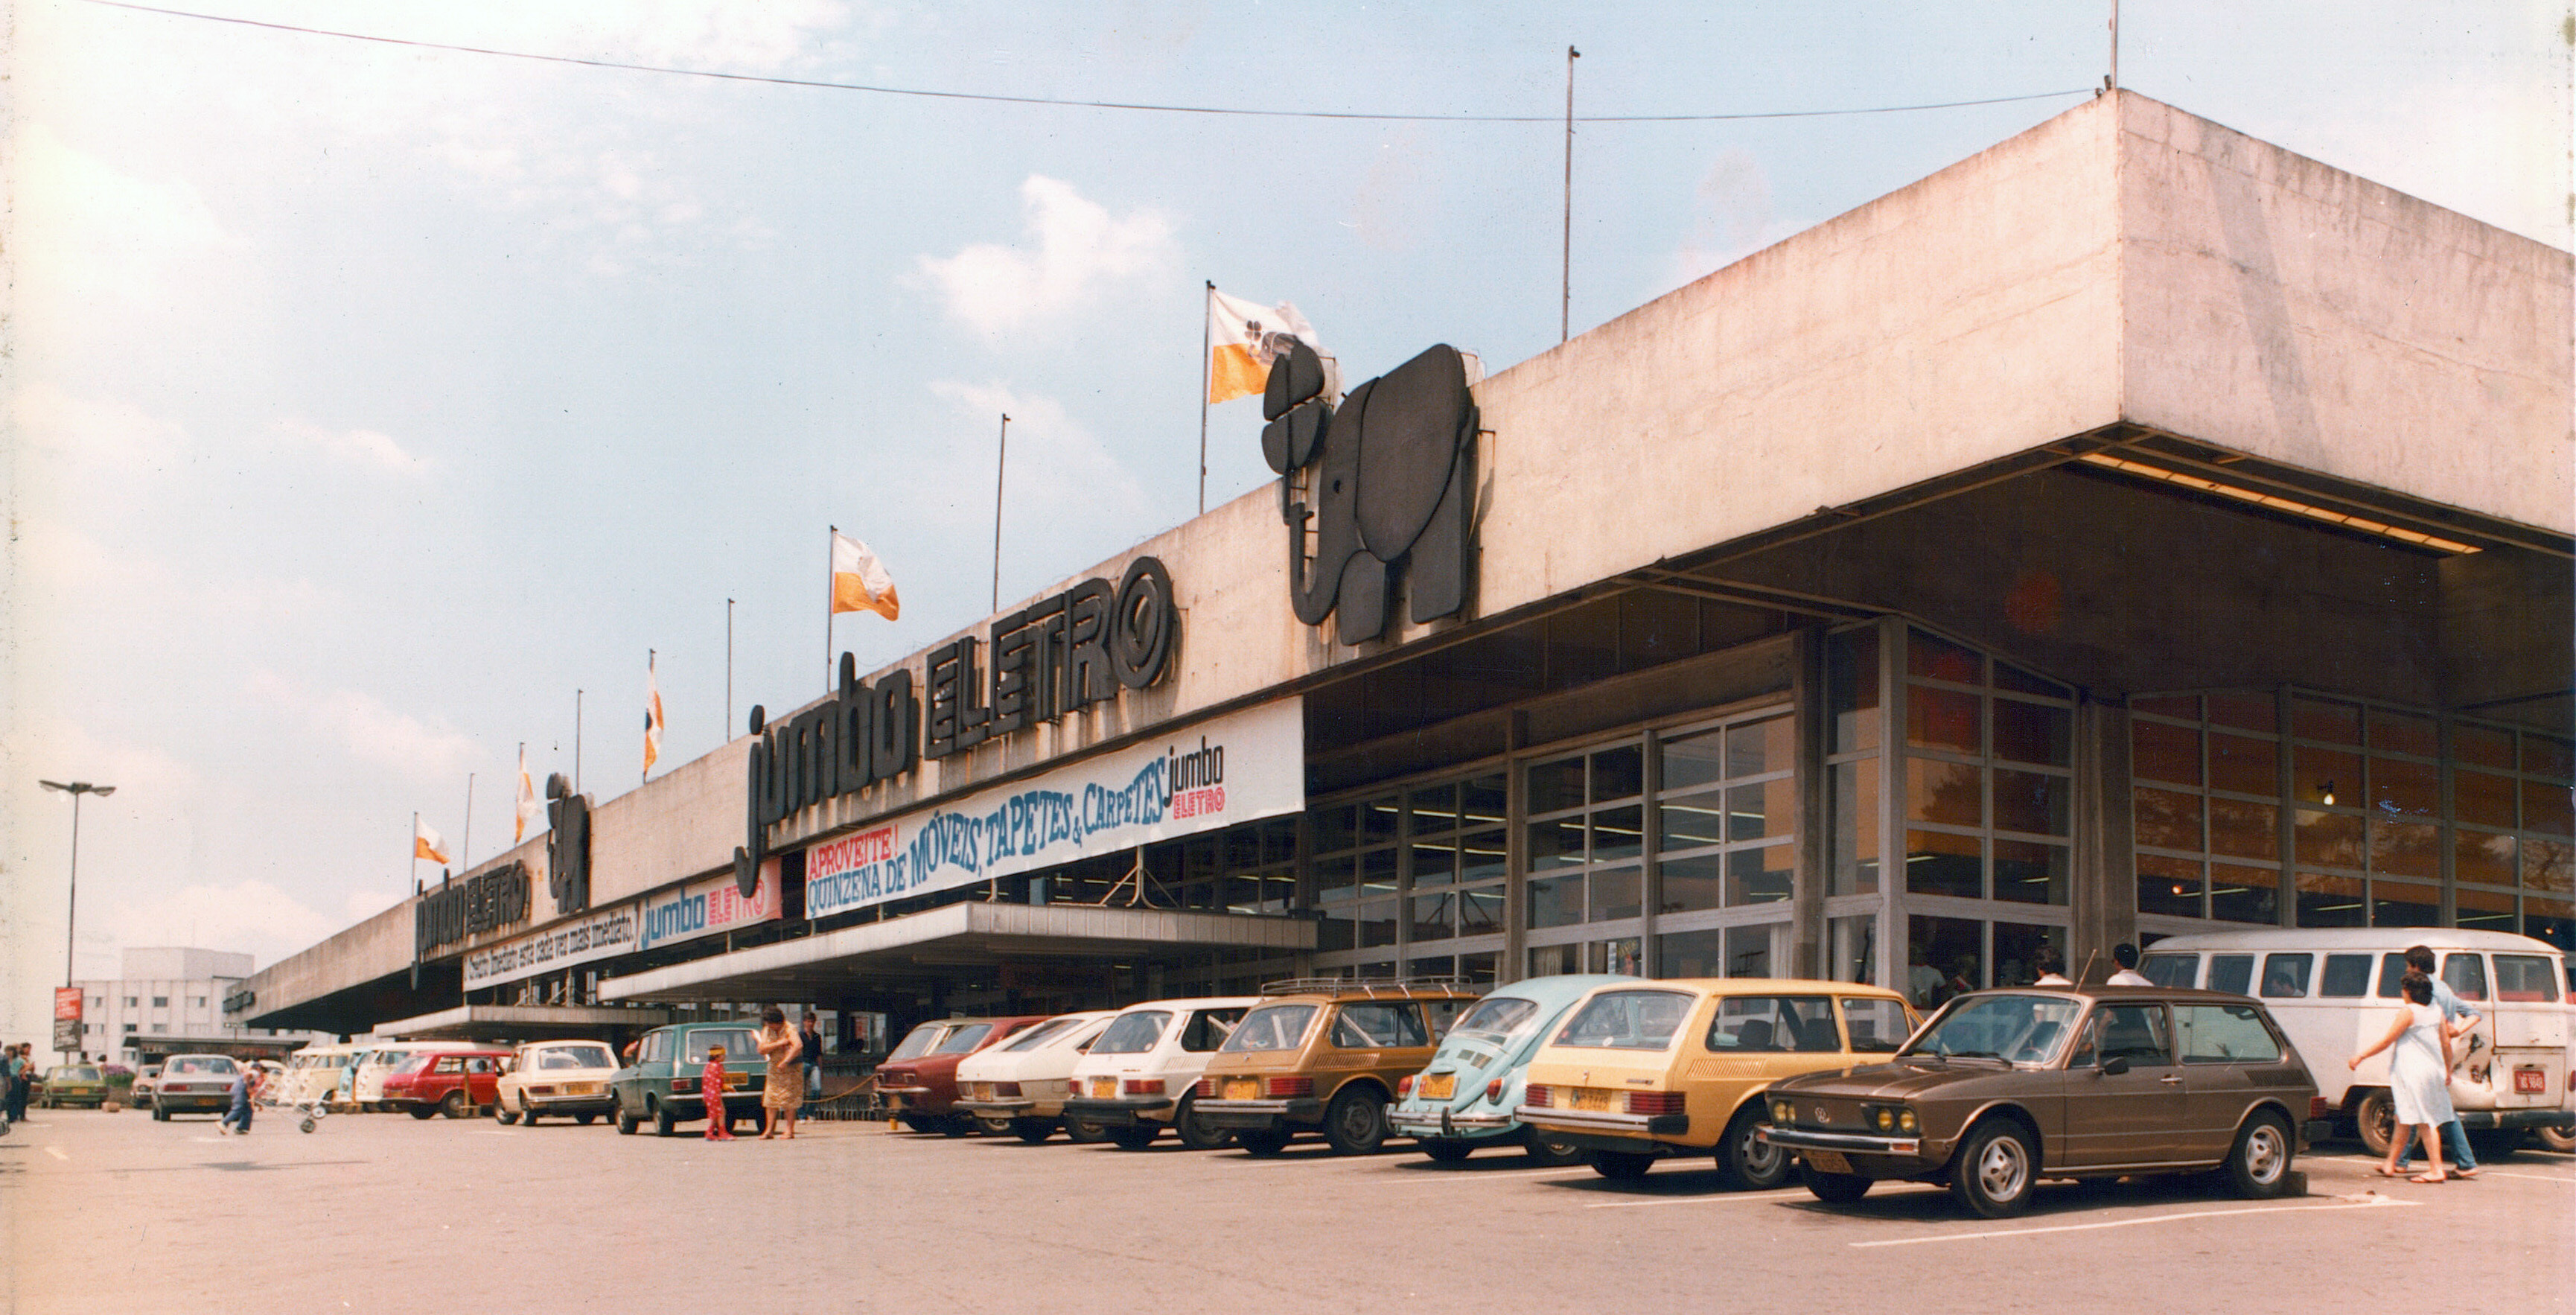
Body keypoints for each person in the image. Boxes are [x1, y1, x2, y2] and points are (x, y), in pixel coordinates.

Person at [2393, 945, 2483, 1179]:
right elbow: (2474, 1013)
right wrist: (2457, 1030)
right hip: (2443, 1051)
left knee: (2425, 1107)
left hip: (2427, 1051)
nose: (2407, 970)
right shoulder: (2445, 988)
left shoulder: (2424, 988)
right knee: (2424, 1105)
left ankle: (2463, 1162)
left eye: (2408, 966)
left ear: (2416, 966)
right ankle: (2400, 1161)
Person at [756, 1005, 802, 1140]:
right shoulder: (767, 1030)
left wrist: (786, 1061)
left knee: (790, 1099)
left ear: (777, 1022)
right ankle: (769, 1130)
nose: (769, 1026)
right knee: (770, 1099)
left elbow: (798, 1045)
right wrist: (779, 1043)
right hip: (774, 1068)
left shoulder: (790, 1028)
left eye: (771, 1023)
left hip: (791, 1068)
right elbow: (762, 1049)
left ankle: (789, 1130)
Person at [701, 1045, 736, 1141]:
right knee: (719, 1113)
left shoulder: (709, 1066)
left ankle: (712, 1133)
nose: (725, 1057)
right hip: (714, 1094)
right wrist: (727, 1087)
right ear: (717, 1056)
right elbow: (719, 1081)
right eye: (723, 1055)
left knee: (716, 1113)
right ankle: (720, 1132)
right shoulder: (717, 1066)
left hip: (709, 1093)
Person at [798, 1012, 825, 1117]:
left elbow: (819, 1054)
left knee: (817, 1088)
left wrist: (821, 1069)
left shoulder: (817, 1037)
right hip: (803, 1062)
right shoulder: (800, 1035)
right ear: (804, 1022)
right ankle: (802, 1114)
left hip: (814, 1063)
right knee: (801, 1090)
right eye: (808, 1021)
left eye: (812, 1022)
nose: (810, 1024)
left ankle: (810, 1112)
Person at [219, 1060, 256, 1136]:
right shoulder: (255, 1072)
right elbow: (247, 1077)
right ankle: (223, 1123)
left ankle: (242, 1128)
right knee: (239, 1107)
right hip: (240, 1091)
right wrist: (249, 1088)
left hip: (237, 1090)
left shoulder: (249, 1072)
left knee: (248, 1110)